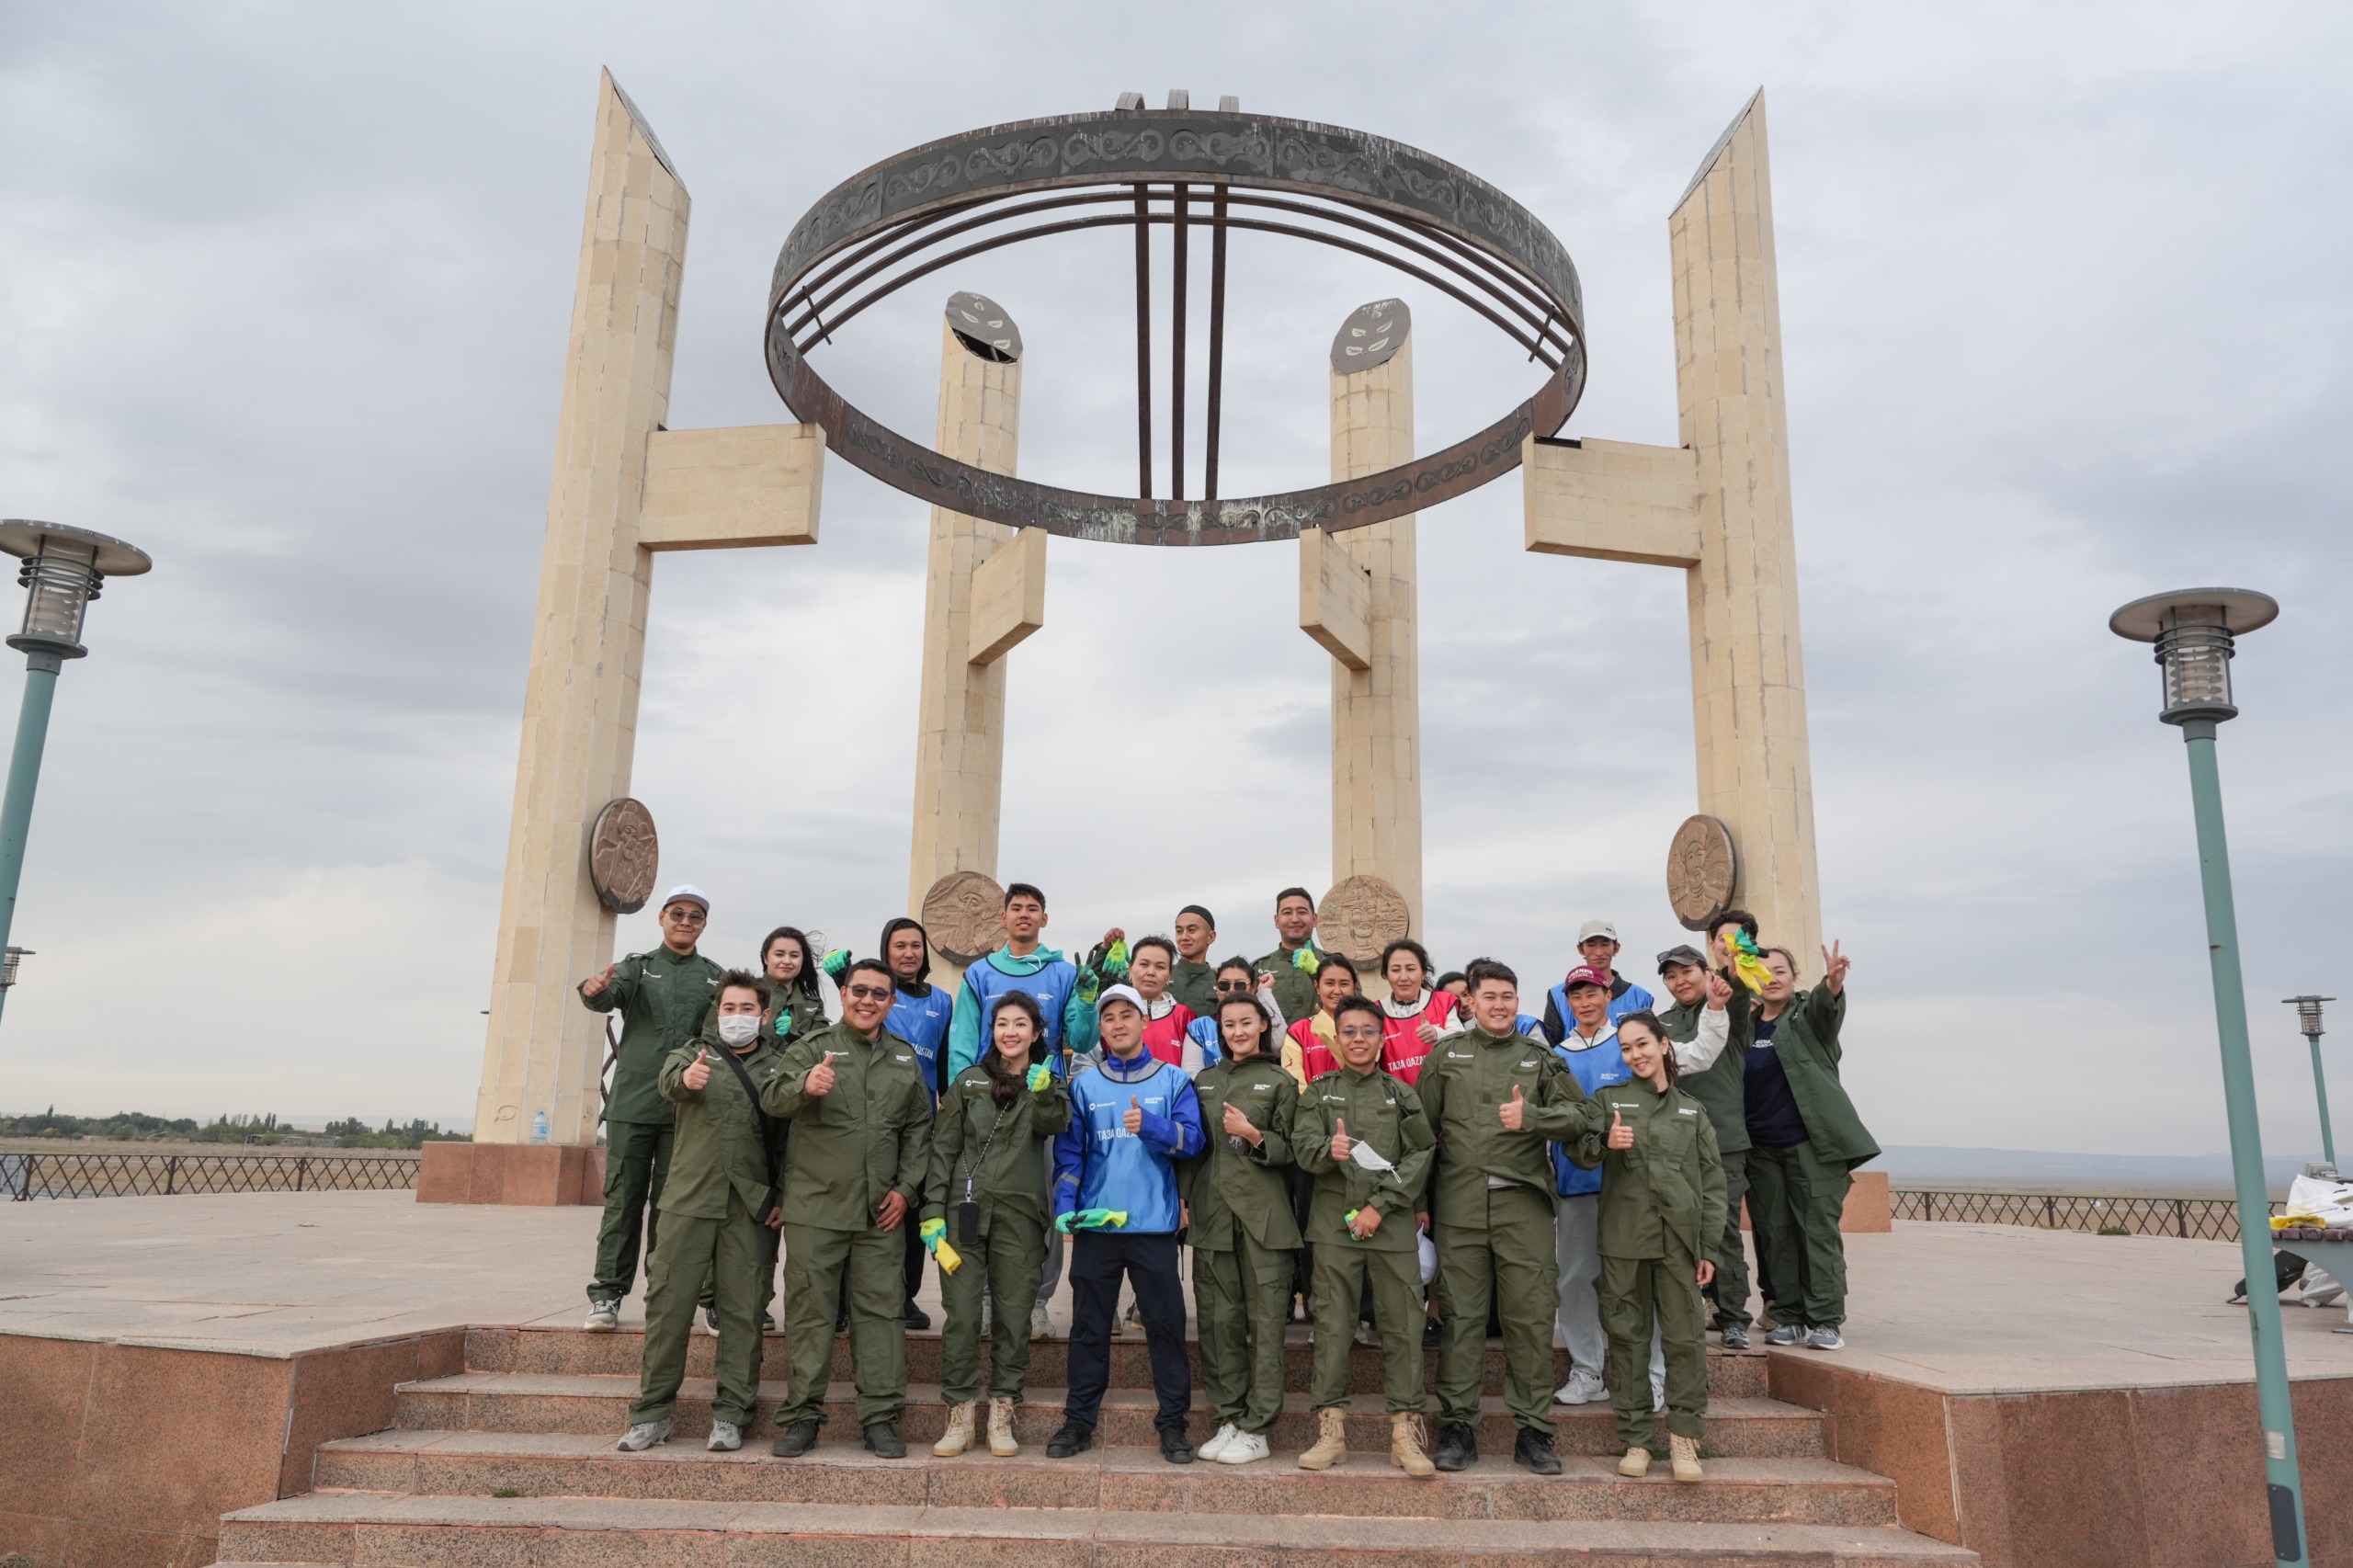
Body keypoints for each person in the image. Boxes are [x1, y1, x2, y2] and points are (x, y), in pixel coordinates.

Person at [1418, 958, 1595, 1475]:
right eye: (1490, 997)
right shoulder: (1446, 1055)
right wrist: (1419, 1203)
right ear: (1470, 1002)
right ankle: (1458, 1427)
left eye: (1508, 997)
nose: (1499, 1006)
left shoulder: (1538, 1057)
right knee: (1461, 1318)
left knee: (1530, 1317)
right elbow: (1419, 1133)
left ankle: (1534, 1430)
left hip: (1524, 1206)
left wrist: (1533, 1117)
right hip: (1460, 1206)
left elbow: (1581, 1117)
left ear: (1518, 1002)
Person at [761, 959, 936, 1459]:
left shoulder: (903, 1058)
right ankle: (802, 1417)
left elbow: (919, 1129)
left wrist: (906, 1189)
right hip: (816, 1208)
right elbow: (772, 1098)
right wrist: (804, 1086)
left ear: (892, 1002)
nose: (868, 1001)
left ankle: (880, 1418)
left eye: (879, 994)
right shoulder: (812, 1048)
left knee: (880, 1315)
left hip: (880, 1213)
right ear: (843, 994)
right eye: (859, 990)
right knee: (810, 1314)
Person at [616, 971, 787, 1454]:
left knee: (744, 1311)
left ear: (764, 1015)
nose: (737, 1017)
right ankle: (652, 1415)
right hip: (688, 1201)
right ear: (717, 1012)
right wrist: (687, 1080)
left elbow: (789, 1140)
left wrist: (783, 1196)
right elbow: (670, 1082)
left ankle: (732, 1414)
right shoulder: (692, 1054)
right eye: (729, 1008)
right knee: (668, 1308)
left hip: (750, 1206)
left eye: (747, 1009)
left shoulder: (779, 1066)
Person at [1047, 984, 1205, 1464]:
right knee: (1088, 1328)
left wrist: (1153, 1127)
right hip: (1096, 1227)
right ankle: (1078, 1421)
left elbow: (1194, 1142)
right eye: (1109, 1017)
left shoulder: (1173, 1079)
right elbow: (1070, 1154)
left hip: (1153, 1227)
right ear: (1101, 1027)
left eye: (1127, 1015)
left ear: (1143, 1022)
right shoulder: (1084, 1085)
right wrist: (1066, 1205)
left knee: (1166, 1327)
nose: (1118, 1024)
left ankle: (1173, 1424)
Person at [1566, 1010, 1726, 1484]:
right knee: (1628, 1338)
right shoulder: (1609, 1101)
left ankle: (1684, 1438)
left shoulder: (1691, 1110)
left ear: (1663, 1044)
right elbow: (1577, 1149)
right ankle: (1636, 1438)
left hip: (1678, 1242)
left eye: (1642, 1044)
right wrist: (1605, 1141)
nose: (1635, 1055)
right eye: (1626, 1048)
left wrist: (1709, 1248)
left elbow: (1713, 1183)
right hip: (1624, 1240)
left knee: (1685, 1340)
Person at [1290, 993, 1439, 1477]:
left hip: (1390, 1224)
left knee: (1403, 1325)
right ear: (1337, 1038)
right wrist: (1327, 1150)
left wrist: (1380, 1206)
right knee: (1333, 1326)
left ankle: (1405, 1433)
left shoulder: (1401, 1094)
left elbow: (1421, 1154)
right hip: (1334, 1226)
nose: (1358, 1039)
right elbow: (1301, 1147)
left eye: (1368, 1031)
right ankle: (1330, 1432)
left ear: (1381, 1038)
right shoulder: (1318, 1092)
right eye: (1349, 1031)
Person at [946, 882, 1101, 1342]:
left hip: (1041, 1102)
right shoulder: (979, 973)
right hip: (988, 1100)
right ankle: (987, 1299)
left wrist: (1087, 1001)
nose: (1024, 915)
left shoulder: (1063, 973)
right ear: (1004, 916)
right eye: (1016, 908)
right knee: (982, 1199)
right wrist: (963, 1095)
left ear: (1044, 919)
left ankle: (1037, 1302)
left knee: (1043, 1204)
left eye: (1033, 908)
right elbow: (963, 1042)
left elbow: (1083, 1040)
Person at [923, 989, 1071, 1459]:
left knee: (1013, 1317)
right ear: (992, 1030)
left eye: (1020, 1024)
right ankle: (960, 1413)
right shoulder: (969, 1082)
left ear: (1036, 1032)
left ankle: (1003, 1410)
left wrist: (1043, 1092)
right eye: (1002, 1023)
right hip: (962, 1215)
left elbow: (1054, 1124)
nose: (1010, 1032)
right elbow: (943, 1148)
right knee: (963, 1315)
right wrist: (931, 1211)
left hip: (1020, 1217)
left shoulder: (1048, 1082)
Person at [578, 885, 723, 1332]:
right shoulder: (637, 968)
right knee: (623, 1202)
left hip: (687, 1111)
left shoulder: (715, 978)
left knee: (674, 1209)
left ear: (704, 925)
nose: (685, 921)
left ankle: (669, 1294)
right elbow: (605, 994)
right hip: (634, 1107)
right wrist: (593, 990)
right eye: (677, 913)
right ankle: (607, 1294)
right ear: (661, 918)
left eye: (695, 916)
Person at [1184, 990, 1302, 1467]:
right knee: (1218, 1323)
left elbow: (1295, 1149)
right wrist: (1184, 1199)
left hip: (1263, 1219)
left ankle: (1258, 1427)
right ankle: (1229, 1416)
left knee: (1266, 1325)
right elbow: (1195, 1148)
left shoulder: (1280, 1081)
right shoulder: (1205, 1081)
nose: (1238, 1031)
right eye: (1229, 1024)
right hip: (1213, 1214)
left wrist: (1255, 1136)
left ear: (1263, 1026)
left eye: (1246, 1022)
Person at [1743, 941, 1872, 1350]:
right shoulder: (1747, 1026)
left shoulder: (1805, 1015)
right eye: (1763, 972)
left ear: (1794, 977)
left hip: (1810, 1146)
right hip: (1761, 1150)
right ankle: (1789, 1315)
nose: (1771, 978)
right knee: (1775, 1234)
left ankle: (1826, 1320)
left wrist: (1832, 983)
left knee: (1816, 1232)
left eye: (1780, 971)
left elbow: (1826, 1011)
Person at [1543, 964, 1650, 1409]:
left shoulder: (1627, 1046)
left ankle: (1648, 1374)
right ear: (1567, 1002)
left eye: (1593, 993)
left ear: (1609, 996)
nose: (1585, 1002)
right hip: (1575, 1184)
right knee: (1574, 1281)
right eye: (1576, 996)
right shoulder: (1556, 1056)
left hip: (1628, 1183)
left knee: (1637, 1281)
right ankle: (1588, 1370)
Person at [1654, 942, 1756, 1346]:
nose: (1680, 981)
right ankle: (1698, 1306)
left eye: (1687, 972)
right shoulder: (1660, 1022)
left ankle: (1733, 1318)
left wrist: (1731, 969)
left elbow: (1738, 990)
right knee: (1680, 1228)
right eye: (1671, 975)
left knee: (1722, 1228)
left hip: (1723, 1138)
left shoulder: (1728, 1005)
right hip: (1676, 1142)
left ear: (1705, 972)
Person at [880, 916, 956, 1331]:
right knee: (872, 1208)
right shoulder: (876, 992)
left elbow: (943, 1064)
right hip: (878, 1118)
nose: (908, 953)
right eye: (899, 945)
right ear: (886, 950)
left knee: (912, 1213)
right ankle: (851, 1297)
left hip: (920, 1126)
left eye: (915, 945)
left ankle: (905, 1296)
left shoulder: (942, 1001)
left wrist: (952, 1111)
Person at [1540, 919, 1654, 1043]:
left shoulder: (1640, 997)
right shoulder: (1558, 995)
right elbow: (1550, 1047)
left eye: (1605, 944)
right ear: (1580, 949)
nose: (1599, 952)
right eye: (1591, 945)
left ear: (1616, 948)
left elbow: (1649, 1043)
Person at [1374, 938, 1455, 1086]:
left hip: (1441, 1094)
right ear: (1386, 975)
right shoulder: (1375, 1012)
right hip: (1395, 1097)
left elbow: (1463, 1045)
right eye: (1395, 970)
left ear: (1423, 973)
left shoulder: (1444, 1002)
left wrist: (1438, 1034)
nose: (1403, 977)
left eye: (1410, 969)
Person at [1126, 935, 1211, 1072]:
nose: (1151, 972)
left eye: (1160, 967)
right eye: (1144, 964)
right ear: (1130, 970)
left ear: (1169, 976)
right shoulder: (1112, 1014)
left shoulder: (1184, 1016)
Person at [1255, 887, 1335, 1025]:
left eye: (1302, 912)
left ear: (1315, 919)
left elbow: (1355, 1006)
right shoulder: (1259, 967)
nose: (1295, 919)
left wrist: (1317, 973)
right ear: (1276, 921)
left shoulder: (1336, 963)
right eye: (1287, 913)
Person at [1286, 953, 1359, 1082]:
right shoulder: (1299, 1031)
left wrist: (1326, 1027)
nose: (1337, 991)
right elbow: (1294, 1085)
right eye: (1329, 983)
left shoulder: (1367, 1029)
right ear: (1317, 987)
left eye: (1344, 984)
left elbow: (1361, 1071)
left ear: (1354, 987)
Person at [759, 926, 832, 1046]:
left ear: (802, 960)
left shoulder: (812, 1005)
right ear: (765, 958)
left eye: (794, 955)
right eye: (779, 954)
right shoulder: (747, 995)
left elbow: (823, 1047)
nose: (787, 961)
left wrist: (791, 1034)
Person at [1169, 904, 1222, 1017]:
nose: (1184, 937)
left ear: (1211, 937)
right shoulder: (1163, 975)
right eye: (1179, 931)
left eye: (1191, 930)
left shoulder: (1221, 982)